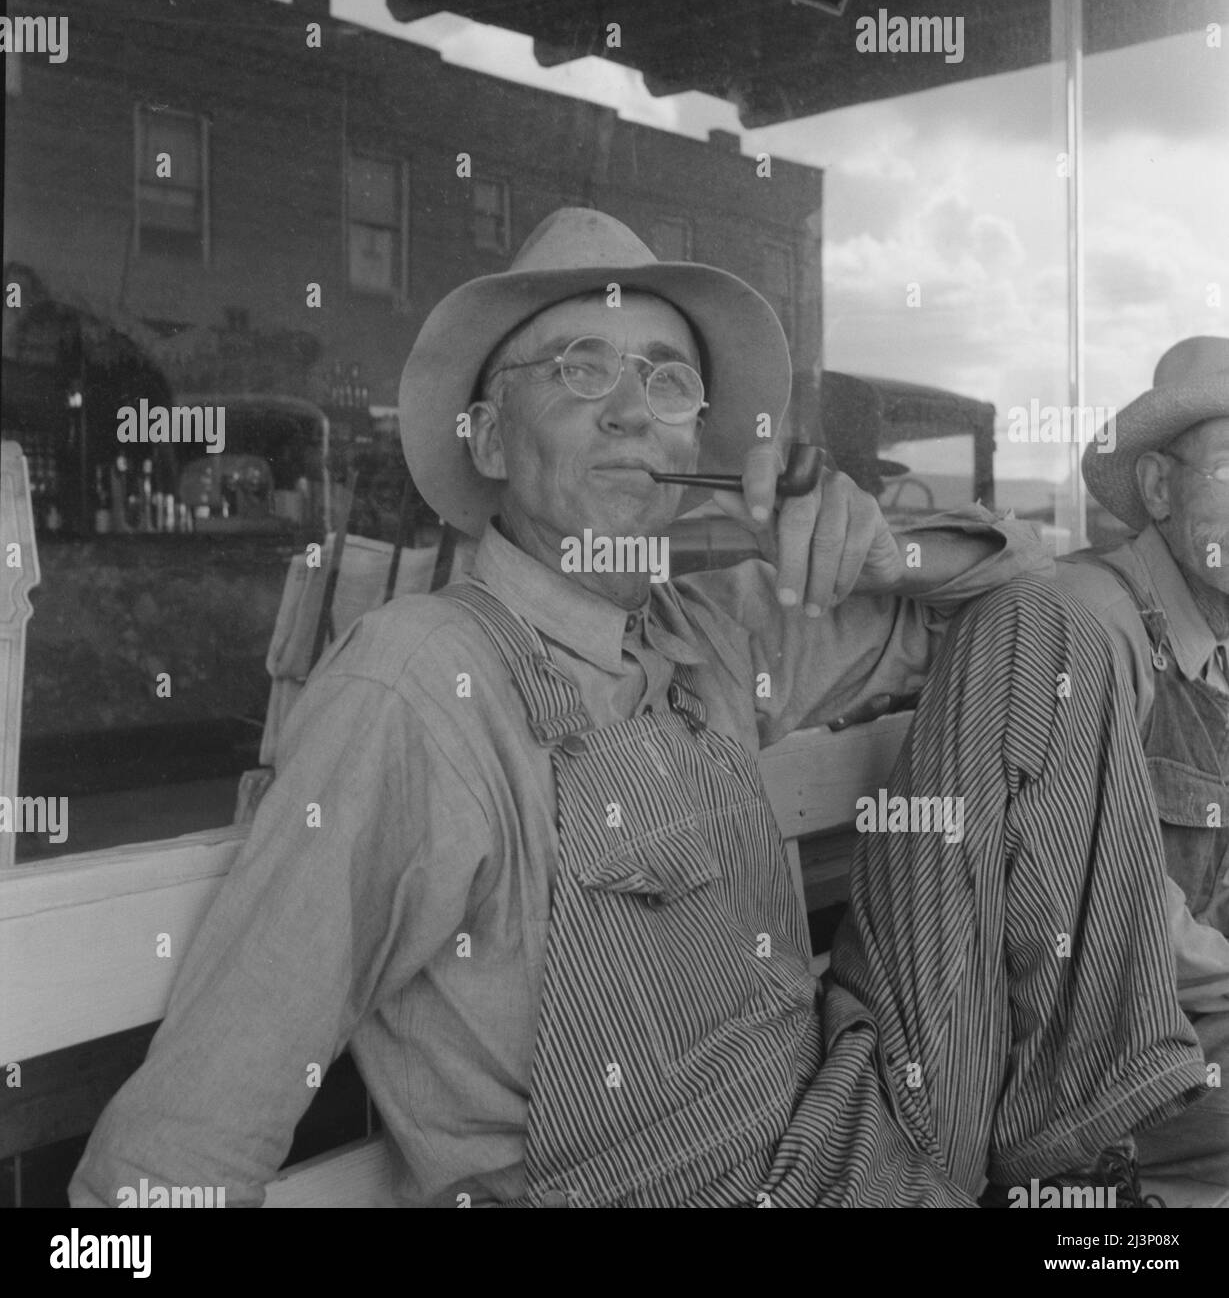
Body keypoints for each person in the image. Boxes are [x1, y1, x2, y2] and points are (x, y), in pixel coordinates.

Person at [69, 210, 1205, 1208]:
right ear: (488, 437)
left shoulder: (703, 629)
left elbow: (1023, 610)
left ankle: (1081, 1168)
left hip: (867, 1120)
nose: (628, 413)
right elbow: (184, 1134)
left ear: (697, 447)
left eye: (664, 381)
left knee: (1050, 629)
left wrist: (882, 544)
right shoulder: (413, 689)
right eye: (576, 368)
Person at [1056, 336, 1228, 1189]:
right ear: (1159, 487)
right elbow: (1109, 910)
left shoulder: (1212, 641)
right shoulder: (1091, 622)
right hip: (1105, 1076)